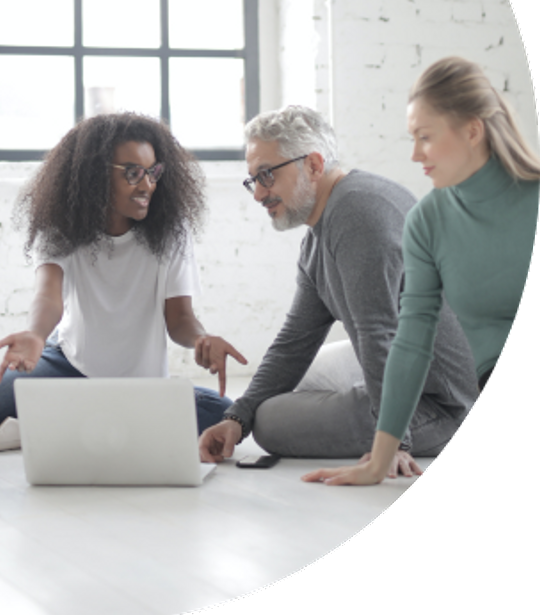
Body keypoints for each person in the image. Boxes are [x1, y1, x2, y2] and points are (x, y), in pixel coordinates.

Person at [0, 112, 246, 443]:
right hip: (64, 368)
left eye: (153, 172)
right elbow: (48, 295)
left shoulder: (171, 231)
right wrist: (36, 334)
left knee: (225, 413)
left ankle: (46, 425)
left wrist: (201, 338)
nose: (147, 185)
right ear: (95, 176)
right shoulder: (63, 226)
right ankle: (66, 423)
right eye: (132, 173)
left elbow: (180, 319)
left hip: (140, 388)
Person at [199, 105, 478, 470]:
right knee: (275, 398)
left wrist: (391, 443)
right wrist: (236, 419)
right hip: (410, 374)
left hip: (444, 405)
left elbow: (379, 332)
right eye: (253, 179)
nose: (257, 194)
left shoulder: (358, 213)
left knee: (270, 423)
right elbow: (294, 341)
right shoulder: (321, 233)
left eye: (266, 175)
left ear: (314, 165)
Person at [304, 57, 540, 485]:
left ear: (472, 130)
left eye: (425, 138)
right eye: (413, 138)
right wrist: (381, 458)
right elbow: (411, 343)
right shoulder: (428, 221)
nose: (415, 155)